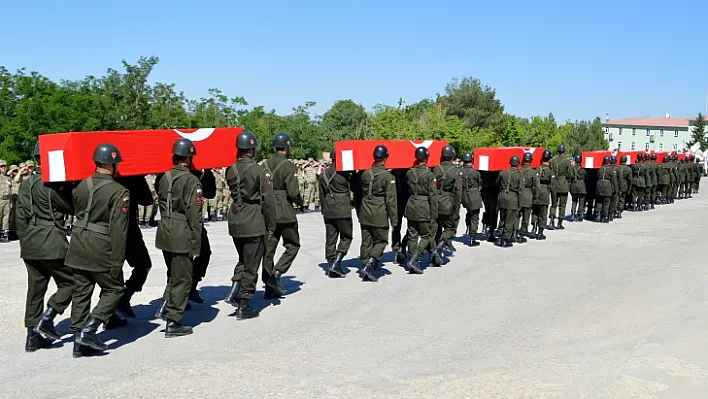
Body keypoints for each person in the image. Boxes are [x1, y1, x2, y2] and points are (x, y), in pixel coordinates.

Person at [66, 143, 129, 357]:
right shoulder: (119, 191)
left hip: (77, 241)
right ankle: (89, 330)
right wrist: (118, 260)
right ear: (112, 164)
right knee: (115, 289)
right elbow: (119, 229)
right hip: (100, 245)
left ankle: (78, 340)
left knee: (82, 290)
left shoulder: (81, 185)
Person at [15, 142, 75, 352]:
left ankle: (32, 336)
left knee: (35, 289)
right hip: (51, 240)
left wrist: (26, 240)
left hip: (30, 241)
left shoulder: (26, 183)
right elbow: (70, 207)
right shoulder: (51, 184)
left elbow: (20, 217)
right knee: (72, 282)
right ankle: (48, 317)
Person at [153, 138, 202, 338]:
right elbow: (194, 215)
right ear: (189, 158)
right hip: (182, 231)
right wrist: (196, 243)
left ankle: (168, 308)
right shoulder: (192, 180)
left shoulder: (164, 177)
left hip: (165, 230)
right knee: (182, 278)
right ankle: (173, 321)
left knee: (173, 274)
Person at [223, 131, 276, 319]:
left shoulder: (231, 169)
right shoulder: (260, 171)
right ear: (252, 150)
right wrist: (271, 225)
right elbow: (268, 201)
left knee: (243, 259)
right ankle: (243, 304)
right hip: (253, 219)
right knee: (251, 265)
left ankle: (234, 292)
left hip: (235, 218)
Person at [262, 132, 304, 299]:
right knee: (293, 244)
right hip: (284, 210)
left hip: (268, 210)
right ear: (287, 146)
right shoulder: (288, 165)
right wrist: (300, 202)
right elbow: (293, 191)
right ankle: (276, 274)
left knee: (268, 250)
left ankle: (268, 286)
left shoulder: (264, 164)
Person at [114, 175, 155, 320]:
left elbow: (146, 200)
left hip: (114, 230)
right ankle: (119, 303)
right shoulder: (132, 178)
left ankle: (118, 304)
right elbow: (147, 200)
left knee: (114, 273)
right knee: (140, 265)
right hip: (124, 229)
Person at [358, 145, 397, 281]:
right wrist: (394, 219)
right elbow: (391, 200)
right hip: (379, 211)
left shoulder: (365, 173)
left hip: (365, 210)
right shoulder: (388, 176)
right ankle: (370, 263)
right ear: (385, 158)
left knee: (366, 240)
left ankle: (364, 264)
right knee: (381, 240)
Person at [317, 148, 353, 278]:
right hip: (342, 208)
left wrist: (323, 209)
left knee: (330, 238)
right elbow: (352, 187)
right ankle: (336, 263)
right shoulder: (344, 173)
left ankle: (331, 263)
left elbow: (321, 193)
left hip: (328, 208)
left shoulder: (323, 174)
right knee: (346, 236)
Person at [405, 147, 438, 274]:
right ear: (426, 158)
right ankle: (415, 258)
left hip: (411, 204)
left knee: (412, 235)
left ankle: (411, 258)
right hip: (424, 206)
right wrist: (434, 214)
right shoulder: (430, 175)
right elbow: (432, 196)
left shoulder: (409, 173)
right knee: (427, 235)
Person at [432, 145, 463, 254]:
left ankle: (435, 255)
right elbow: (458, 192)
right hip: (447, 201)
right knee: (451, 227)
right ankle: (442, 244)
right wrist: (457, 209)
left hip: (435, 201)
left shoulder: (436, 169)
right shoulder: (456, 171)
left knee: (436, 227)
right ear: (452, 156)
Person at [496, 156, 523, 247]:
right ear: (518, 164)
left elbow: (497, 183)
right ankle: (505, 239)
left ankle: (499, 237)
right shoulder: (519, 175)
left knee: (502, 218)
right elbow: (520, 190)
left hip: (502, 196)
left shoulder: (502, 172)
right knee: (509, 220)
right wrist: (520, 204)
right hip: (512, 197)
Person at [459, 153, 482, 246]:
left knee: (469, 212)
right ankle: (472, 237)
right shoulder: (476, 173)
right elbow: (480, 184)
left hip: (464, 195)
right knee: (475, 217)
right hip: (474, 195)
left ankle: (468, 227)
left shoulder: (459, 172)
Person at [532, 150, 553, 240]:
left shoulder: (537, 169)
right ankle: (540, 232)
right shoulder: (549, 171)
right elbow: (551, 184)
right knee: (543, 213)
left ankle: (534, 227)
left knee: (535, 211)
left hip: (536, 191)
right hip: (544, 192)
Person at [549, 144, 571, 229]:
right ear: (564, 152)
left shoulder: (553, 160)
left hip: (554, 183)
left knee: (553, 204)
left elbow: (550, 171)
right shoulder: (566, 161)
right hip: (563, 184)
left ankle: (551, 221)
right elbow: (570, 174)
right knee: (562, 205)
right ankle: (559, 223)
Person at [518, 152, 537, 237]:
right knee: (526, 214)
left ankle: (515, 230)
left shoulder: (518, 170)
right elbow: (536, 186)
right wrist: (535, 197)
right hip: (528, 194)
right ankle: (523, 230)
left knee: (517, 214)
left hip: (519, 194)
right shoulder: (532, 172)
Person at [594, 156, 617, 222]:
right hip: (607, 187)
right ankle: (604, 216)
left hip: (599, 186)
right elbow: (614, 181)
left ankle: (598, 214)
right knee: (606, 202)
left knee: (599, 201)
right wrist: (616, 190)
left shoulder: (600, 169)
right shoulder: (611, 170)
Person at [569, 154, 587, 222]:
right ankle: (580, 214)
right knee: (581, 201)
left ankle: (573, 214)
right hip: (581, 185)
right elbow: (585, 176)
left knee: (574, 201)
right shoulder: (583, 169)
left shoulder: (572, 168)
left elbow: (570, 175)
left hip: (574, 184)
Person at [0, 159, 10, 242]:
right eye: (1, 166)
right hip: (0, 199)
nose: (3, 168)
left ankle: (4, 233)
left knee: (6, 218)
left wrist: (10, 202)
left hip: (7, 200)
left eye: (4, 166)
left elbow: (10, 189)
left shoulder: (8, 177)